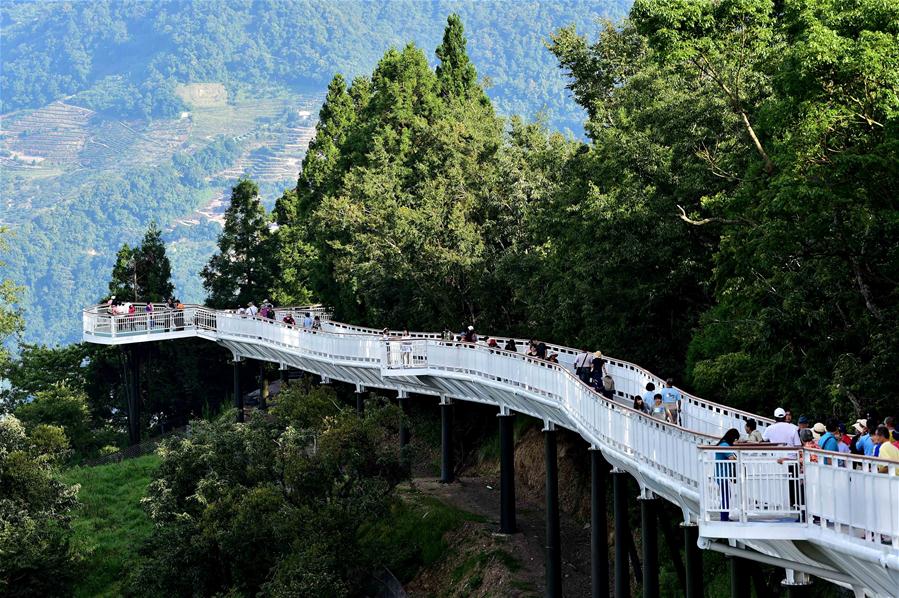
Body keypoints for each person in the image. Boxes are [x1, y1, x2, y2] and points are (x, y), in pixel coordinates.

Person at [714, 428, 740, 521]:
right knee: (725, 496)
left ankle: (724, 516)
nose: (735, 441)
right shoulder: (724, 445)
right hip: (722, 475)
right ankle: (724, 518)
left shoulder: (723, 444)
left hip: (721, 475)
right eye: (735, 439)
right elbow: (732, 458)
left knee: (726, 495)